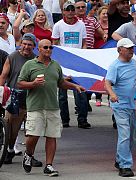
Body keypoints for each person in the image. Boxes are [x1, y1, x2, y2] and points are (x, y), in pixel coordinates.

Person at [18, 39, 85, 177]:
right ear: (39, 49)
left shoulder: (56, 65)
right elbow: (20, 83)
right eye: (45, 47)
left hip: (53, 107)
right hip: (35, 106)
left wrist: (74, 86)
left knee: (52, 135)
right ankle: (29, 153)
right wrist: (33, 83)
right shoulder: (29, 65)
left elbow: (61, 82)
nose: (49, 50)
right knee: (33, 135)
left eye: (51, 47)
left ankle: (49, 166)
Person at [0, 33, 41, 167]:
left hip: (32, 100)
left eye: (30, 44)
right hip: (14, 100)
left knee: (32, 131)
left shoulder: (37, 59)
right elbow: (4, 76)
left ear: (34, 46)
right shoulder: (12, 57)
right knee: (12, 131)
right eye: (24, 43)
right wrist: (1, 92)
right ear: (20, 44)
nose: (26, 47)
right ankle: (10, 150)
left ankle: (29, 156)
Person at [52, 1, 91, 129]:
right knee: (62, 93)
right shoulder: (58, 25)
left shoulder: (81, 25)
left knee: (80, 92)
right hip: (63, 63)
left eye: (72, 9)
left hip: (78, 62)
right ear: (63, 11)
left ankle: (82, 119)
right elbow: (55, 44)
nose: (70, 12)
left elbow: (84, 42)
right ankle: (64, 120)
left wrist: (83, 54)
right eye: (67, 10)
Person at [104, 38, 136, 177]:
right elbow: (107, 82)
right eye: (128, 48)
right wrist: (112, 94)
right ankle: (125, 165)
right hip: (120, 105)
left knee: (132, 136)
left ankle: (120, 159)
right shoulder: (115, 66)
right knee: (124, 135)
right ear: (119, 50)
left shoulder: (134, 62)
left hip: (134, 105)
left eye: (132, 48)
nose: (131, 50)